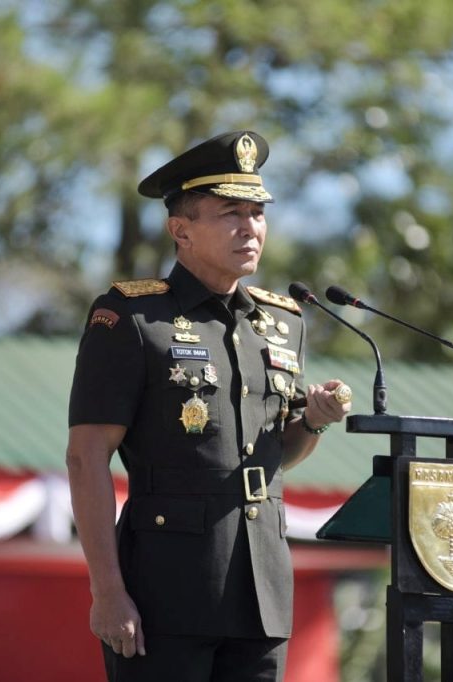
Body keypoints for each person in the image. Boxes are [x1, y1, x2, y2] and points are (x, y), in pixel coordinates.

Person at [67, 130, 352, 682]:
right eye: (230, 213)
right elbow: (85, 458)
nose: (250, 227)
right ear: (181, 230)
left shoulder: (283, 323)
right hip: (165, 594)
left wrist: (312, 422)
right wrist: (107, 592)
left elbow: (270, 456)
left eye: (258, 213)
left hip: (261, 590)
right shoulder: (131, 318)